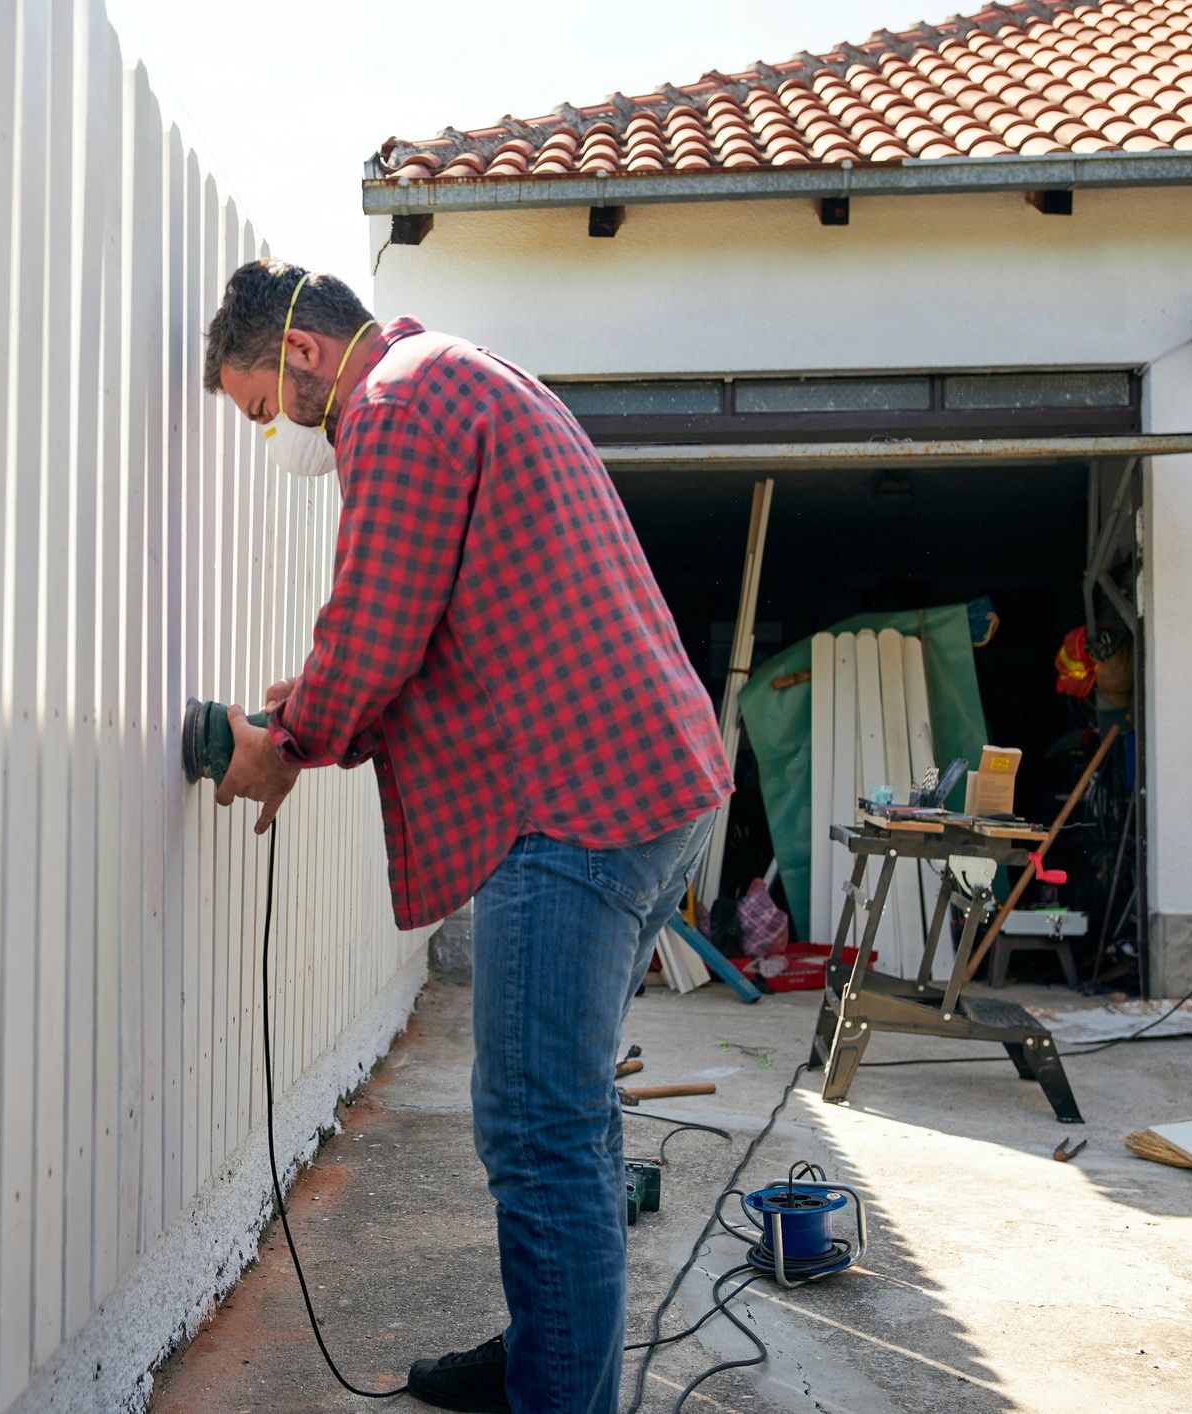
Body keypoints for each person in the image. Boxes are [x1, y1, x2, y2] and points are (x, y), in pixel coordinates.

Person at [201, 259, 730, 1414]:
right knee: (567, 1112)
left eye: (256, 408)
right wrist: (310, 711)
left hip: (581, 808)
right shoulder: (462, 374)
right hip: (647, 783)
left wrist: (280, 744)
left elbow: (377, 634)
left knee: (536, 1130)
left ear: (298, 356)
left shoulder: (389, 405)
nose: (273, 435)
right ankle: (548, 1357)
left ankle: (559, 1392)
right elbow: (433, 623)